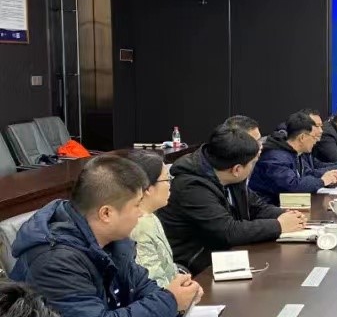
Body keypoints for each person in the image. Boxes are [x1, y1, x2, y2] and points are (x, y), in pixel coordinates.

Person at [9, 155, 201, 317]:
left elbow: (140, 286)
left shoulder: (113, 239)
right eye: (136, 205)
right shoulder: (55, 262)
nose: (140, 213)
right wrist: (170, 301)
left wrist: (178, 296)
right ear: (106, 213)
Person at [157, 123, 307, 273]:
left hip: (223, 255)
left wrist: (287, 215)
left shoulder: (228, 173)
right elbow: (228, 231)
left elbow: (256, 206)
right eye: (253, 163)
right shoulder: (191, 187)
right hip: (197, 267)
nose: (253, 167)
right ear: (237, 169)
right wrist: (278, 225)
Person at [249, 111, 337, 205]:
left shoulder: (295, 153)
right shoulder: (276, 157)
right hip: (267, 208)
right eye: (314, 137)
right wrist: (322, 181)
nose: (316, 141)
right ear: (302, 137)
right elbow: (292, 186)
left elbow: (308, 173)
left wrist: (329, 174)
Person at [123, 149, 178, 288]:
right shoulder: (139, 226)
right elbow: (153, 283)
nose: (170, 185)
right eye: (166, 179)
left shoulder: (151, 216)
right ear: (147, 188)